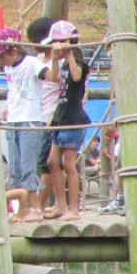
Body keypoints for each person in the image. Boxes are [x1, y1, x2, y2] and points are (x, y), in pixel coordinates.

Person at [0, 27, 48, 222]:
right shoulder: (8, 68)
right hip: (13, 120)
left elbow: (51, 77)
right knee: (15, 167)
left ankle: (35, 208)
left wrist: (56, 57)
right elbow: (13, 91)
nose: (1, 61)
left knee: (28, 165)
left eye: (2, 56)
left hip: (30, 119)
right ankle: (21, 209)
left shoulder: (32, 63)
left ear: (13, 51)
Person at [42, 20, 89, 219]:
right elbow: (52, 78)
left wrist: (69, 52)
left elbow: (76, 77)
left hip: (74, 118)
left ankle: (73, 209)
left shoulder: (80, 64)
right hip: (60, 118)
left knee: (68, 163)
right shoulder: (60, 65)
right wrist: (54, 58)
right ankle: (60, 205)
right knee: (53, 162)